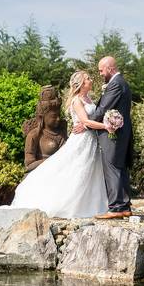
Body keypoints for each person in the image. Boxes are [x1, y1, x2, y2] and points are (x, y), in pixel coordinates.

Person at [6, 70, 109, 218]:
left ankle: (91, 204)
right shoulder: (77, 100)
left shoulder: (88, 99)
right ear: (80, 84)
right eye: (87, 79)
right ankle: (69, 205)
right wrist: (106, 126)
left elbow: (90, 120)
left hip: (91, 139)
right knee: (77, 171)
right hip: (81, 140)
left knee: (91, 171)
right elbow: (85, 121)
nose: (91, 80)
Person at [73, 56, 133, 218]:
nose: (99, 74)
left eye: (101, 70)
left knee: (112, 168)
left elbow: (102, 109)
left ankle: (117, 208)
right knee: (119, 168)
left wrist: (85, 124)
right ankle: (124, 206)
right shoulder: (121, 83)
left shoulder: (115, 84)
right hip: (118, 133)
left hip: (113, 134)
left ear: (110, 68)